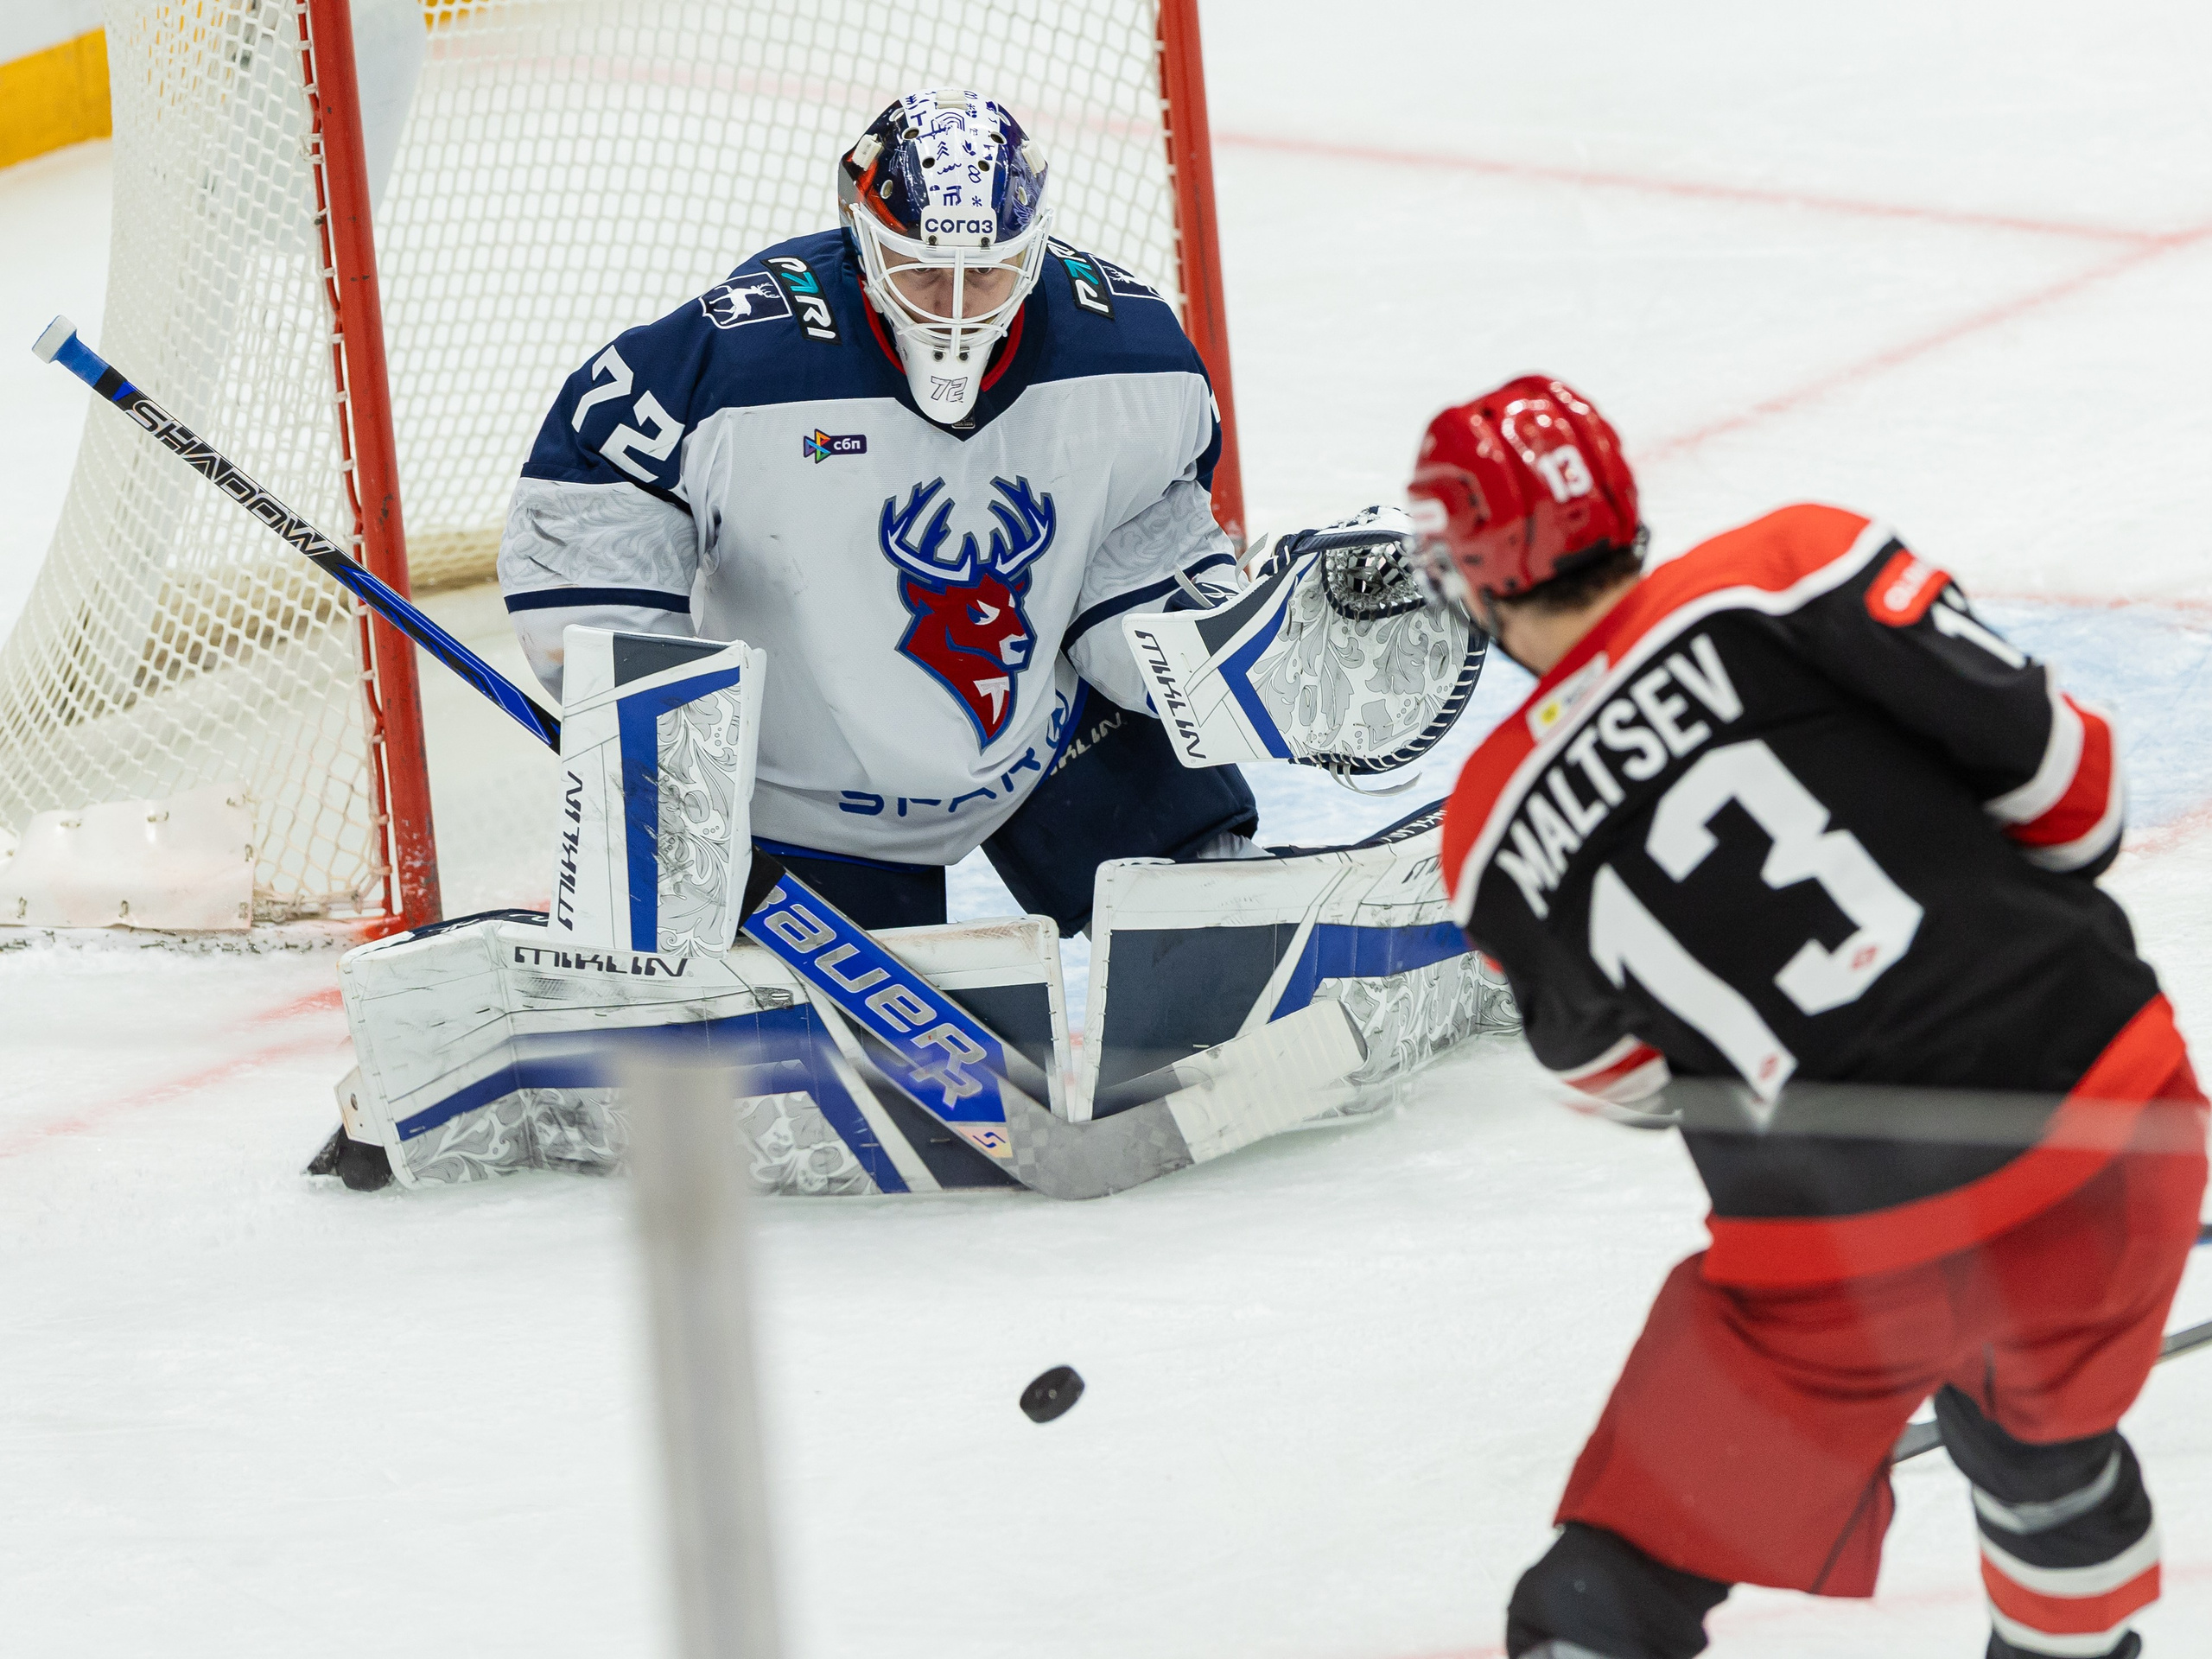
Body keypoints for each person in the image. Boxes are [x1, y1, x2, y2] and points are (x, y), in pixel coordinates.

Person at [1408, 375, 2203, 1659]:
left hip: (1841, 1257)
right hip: (2116, 1127)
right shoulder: (1796, 564)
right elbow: (2080, 801)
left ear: (1484, 573)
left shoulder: (1489, 824)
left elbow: (1626, 1081)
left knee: (1606, 1599)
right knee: (2040, 1455)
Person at [496, 86, 1468, 934]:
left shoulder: (1132, 360)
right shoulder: (739, 360)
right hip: (797, 797)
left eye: (989, 271)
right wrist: (654, 731)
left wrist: (1238, 654)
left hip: (1044, 745)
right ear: (863, 235)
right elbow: (586, 497)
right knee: (841, 1056)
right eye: (921, 269)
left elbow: (1132, 563)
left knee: (1205, 936)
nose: (955, 306)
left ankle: (1203, 890)